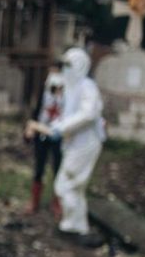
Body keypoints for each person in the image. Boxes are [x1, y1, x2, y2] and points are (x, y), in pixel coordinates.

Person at [49, 48, 104, 242]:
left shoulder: (87, 86)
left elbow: (88, 114)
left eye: (69, 65)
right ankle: (76, 226)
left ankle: (73, 227)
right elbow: (70, 114)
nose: (65, 70)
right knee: (74, 187)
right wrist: (57, 126)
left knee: (65, 185)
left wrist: (63, 126)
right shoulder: (73, 88)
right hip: (75, 142)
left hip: (85, 143)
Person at [26, 70, 65, 217]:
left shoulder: (68, 97)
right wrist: (31, 128)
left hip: (59, 135)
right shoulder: (43, 94)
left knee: (58, 168)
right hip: (42, 132)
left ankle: (57, 201)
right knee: (39, 167)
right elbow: (36, 112)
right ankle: (34, 200)